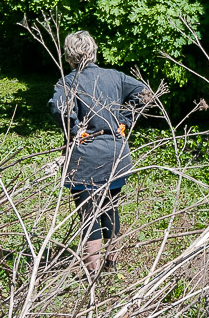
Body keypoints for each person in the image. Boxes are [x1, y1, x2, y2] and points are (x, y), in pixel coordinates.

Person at [48, 30, 147, 277]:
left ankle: (93, 276)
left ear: (69, 54)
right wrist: (124, 120)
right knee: (110, 209)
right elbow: (145, 93)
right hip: (116, 155)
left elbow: (58, 108)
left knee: (89, 215)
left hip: (85, 158)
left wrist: (74, 129)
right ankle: (111, 267)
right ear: (93, 51)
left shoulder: (68, 82)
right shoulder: (115, 76)